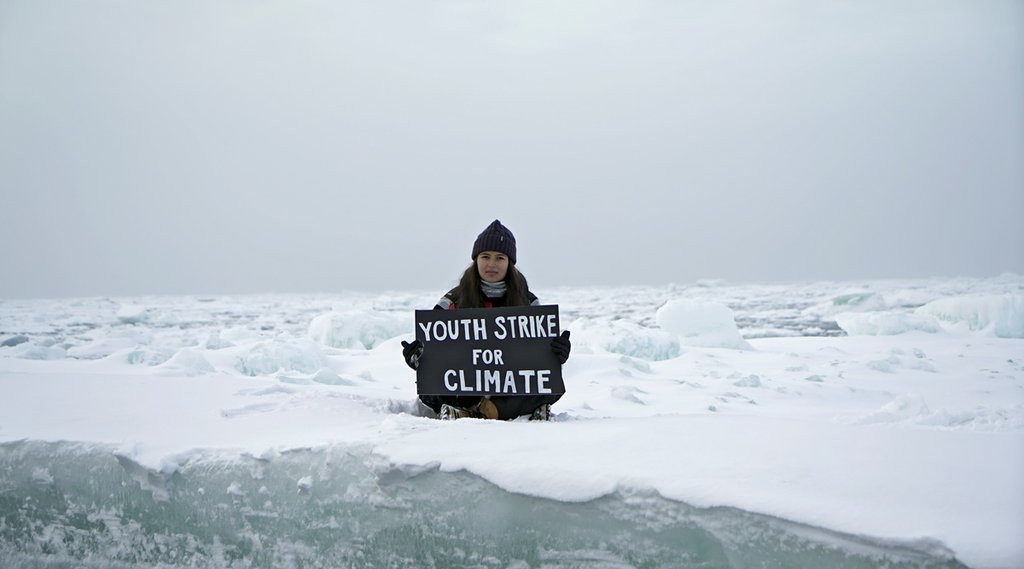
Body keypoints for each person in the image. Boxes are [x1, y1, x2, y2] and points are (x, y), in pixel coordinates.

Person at [401, 219, 571, 421]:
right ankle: (508, 411)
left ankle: (470, 414)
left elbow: (541, 359)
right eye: (485, 257)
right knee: (431, 390)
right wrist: (417, 357)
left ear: (509, 263)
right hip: (465, 387)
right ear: (476, 260)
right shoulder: (451, 301)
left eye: (500, 258)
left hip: (509, 387)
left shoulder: (529, 302)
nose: (492, 264)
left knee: (551, 387)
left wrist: (557, 353)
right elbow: (434, 354)